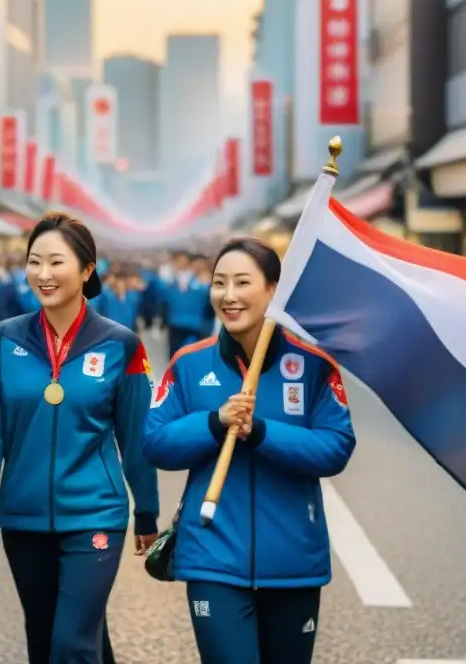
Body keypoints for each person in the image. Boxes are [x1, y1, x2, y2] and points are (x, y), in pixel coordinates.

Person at [143, 236, 356, 664]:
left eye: (243, 282)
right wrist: (213, 422)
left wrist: (260, 432)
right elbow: (156, 442)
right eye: (219, 283)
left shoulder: (314, 366)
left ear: (273, 290)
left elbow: (336, 447)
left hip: (294, 559)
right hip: (211, 557)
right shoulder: (189, 363)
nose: (229, 295)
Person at [0, 211, 160, 664]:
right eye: (35, 262)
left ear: (87, 270)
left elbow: (136, 436)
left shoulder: (121, 344)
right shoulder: (1, 340)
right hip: (23, 517)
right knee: (48, 639)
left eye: (56, 262)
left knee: (71, 643)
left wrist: (146, 510)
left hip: (95, 514)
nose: (43, 275)